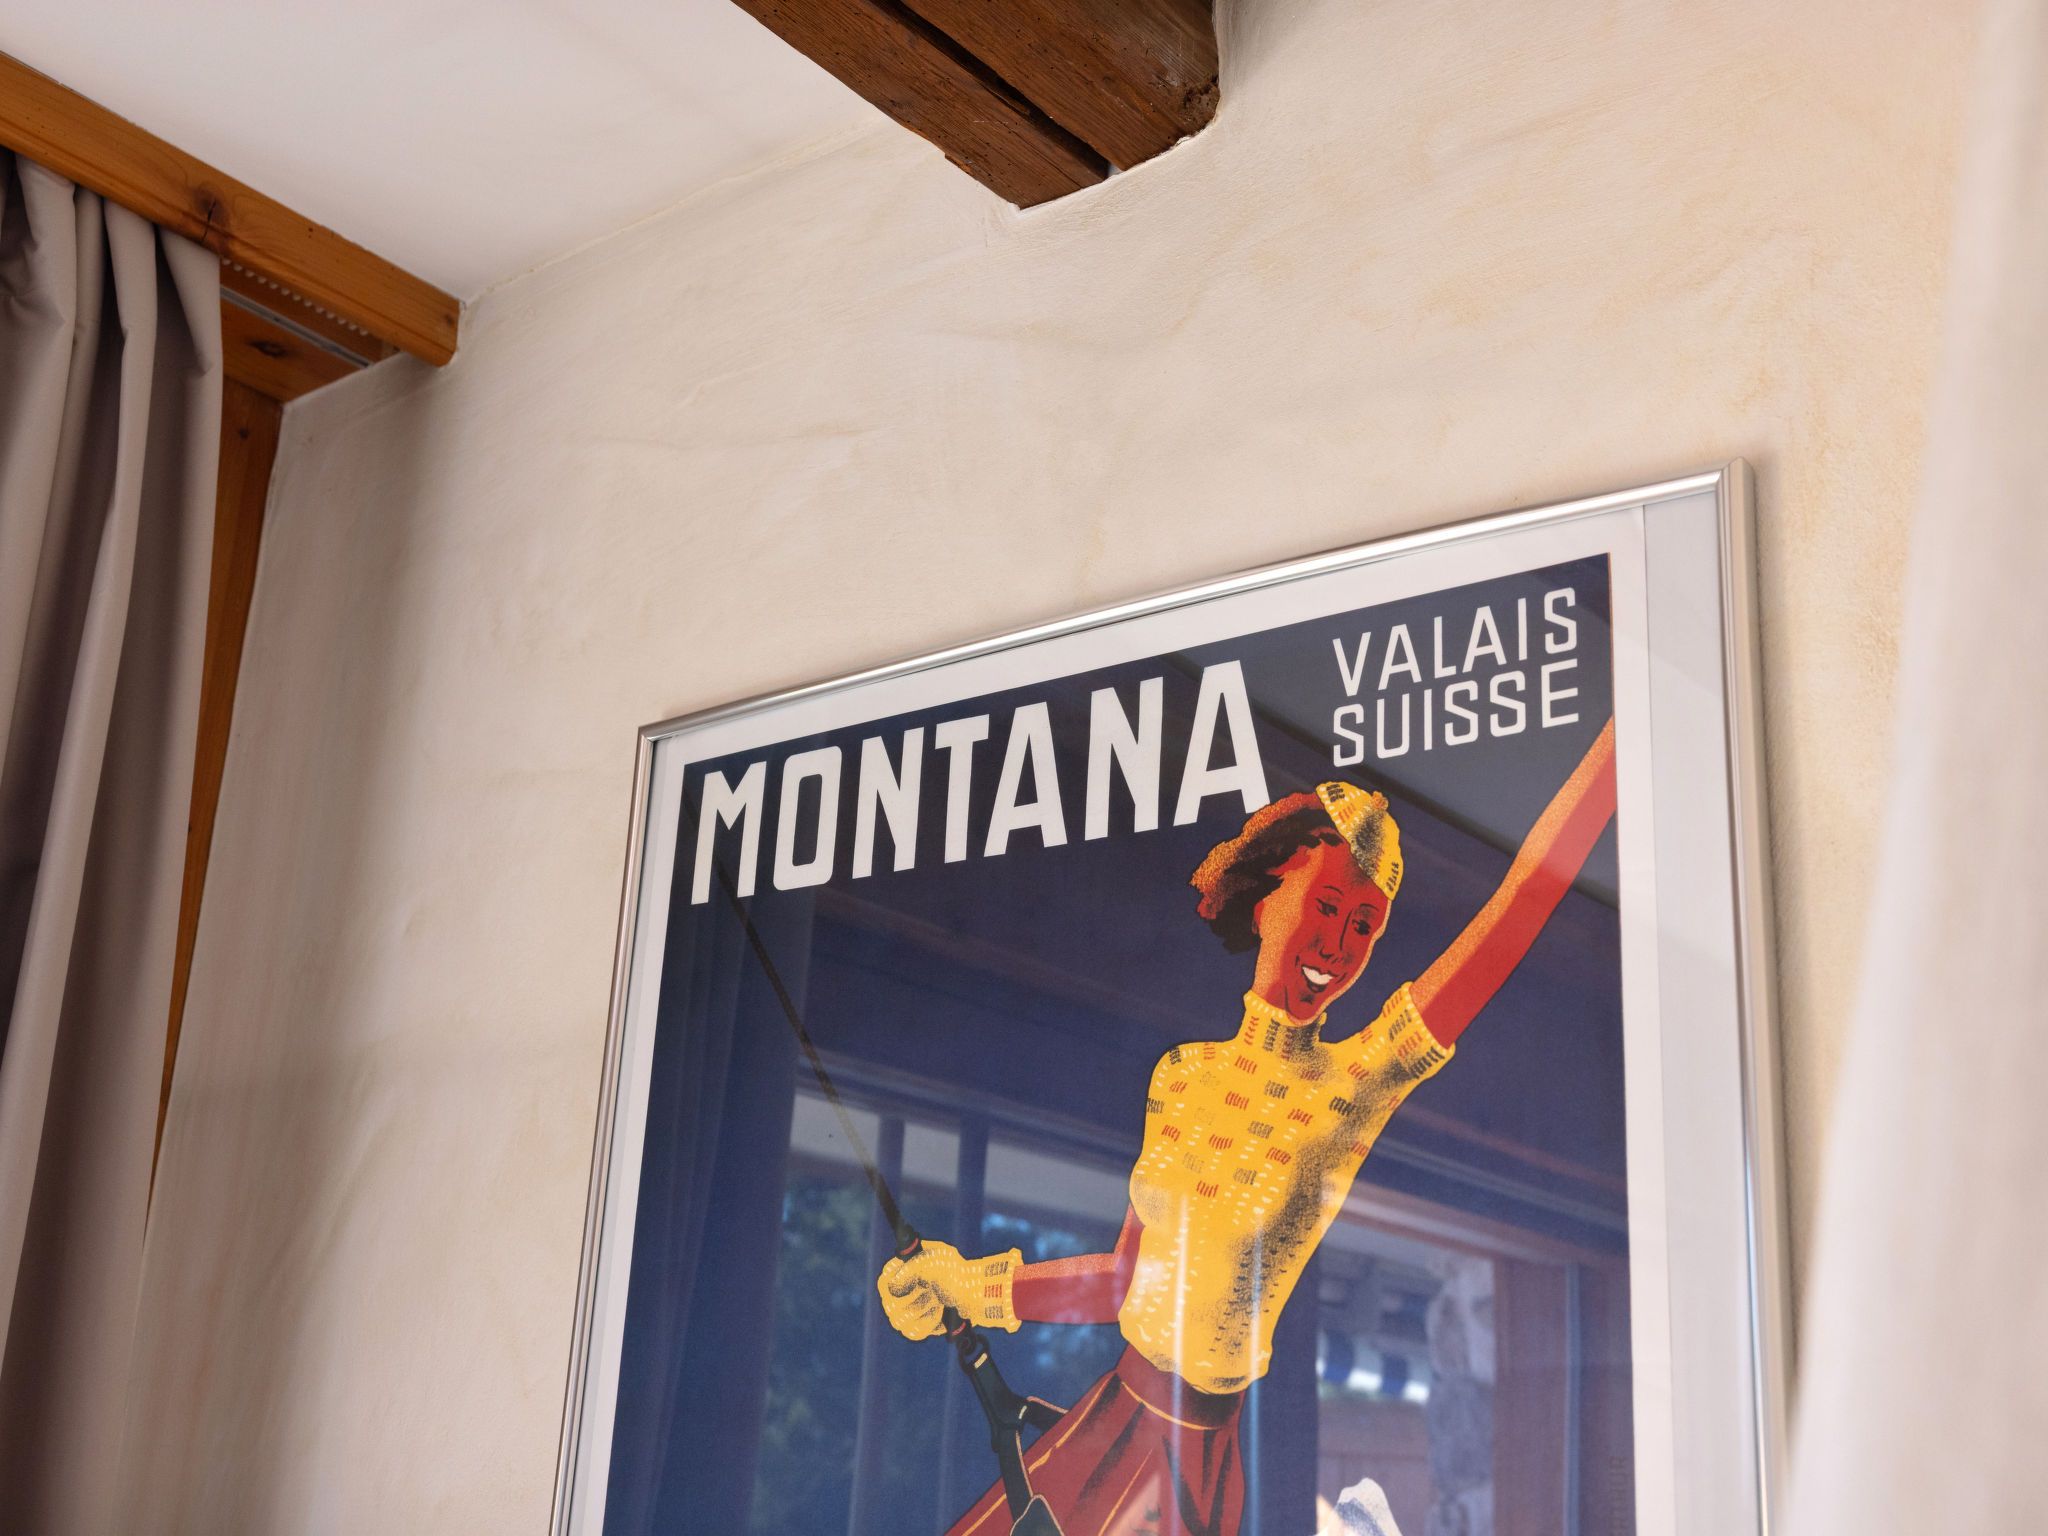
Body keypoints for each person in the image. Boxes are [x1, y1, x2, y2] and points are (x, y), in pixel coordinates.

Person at [879, 719, 1619, 1536]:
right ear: (1268, 897)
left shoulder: (1356, 1083)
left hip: (1190, 1467)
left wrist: (1621, 749)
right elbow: (1125, 1282)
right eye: (1326, 905)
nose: (1337, 947)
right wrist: (967, 1286)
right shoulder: (1181, 1075)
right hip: (1102, 1425)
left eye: (1364, 925)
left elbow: (1522, 903)